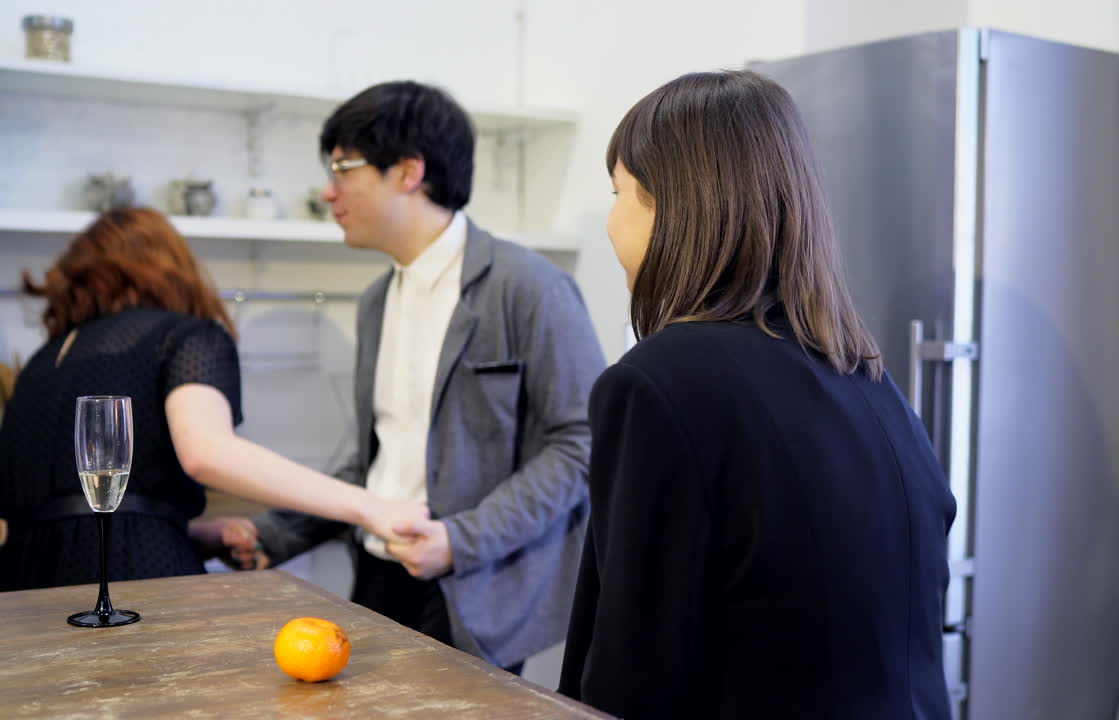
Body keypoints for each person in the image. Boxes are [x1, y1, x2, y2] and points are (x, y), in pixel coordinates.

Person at [557, 70, 958, 718]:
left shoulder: (659, 385)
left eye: (618, 192)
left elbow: (635, 672)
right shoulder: (869, 379)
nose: (609, 223)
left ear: (671, 206)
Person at [221, 81, 605, 674]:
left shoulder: (530, 288)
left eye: (343, 169)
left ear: (408, 172)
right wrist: (270, 533)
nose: (329, 192)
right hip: (376, 575)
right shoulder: (378, 299)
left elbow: (581, 444)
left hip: (474, 589)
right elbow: (375, 463)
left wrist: (461, 538)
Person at [0, 207, 428, 592]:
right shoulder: (183, 336)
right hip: (140, 575)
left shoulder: (42, 363)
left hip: (22, 581)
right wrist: (372, 507)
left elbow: (62, 513)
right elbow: (207, 454)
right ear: (171, 269)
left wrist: (188, 531)